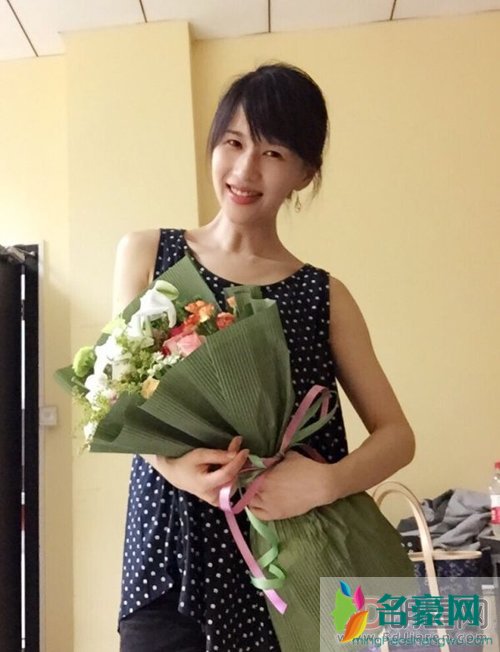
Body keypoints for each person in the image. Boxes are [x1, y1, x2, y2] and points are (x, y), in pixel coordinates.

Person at [114, 63, 415, 652]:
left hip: (294, 562)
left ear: (305, 172)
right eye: (233, 142)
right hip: (171, 553)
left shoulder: (324, 295)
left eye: (273, 153)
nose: (245, 169)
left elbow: (397, 436)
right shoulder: (147, 254)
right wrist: (174, 468)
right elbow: (120, 398)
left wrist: (326, 483)